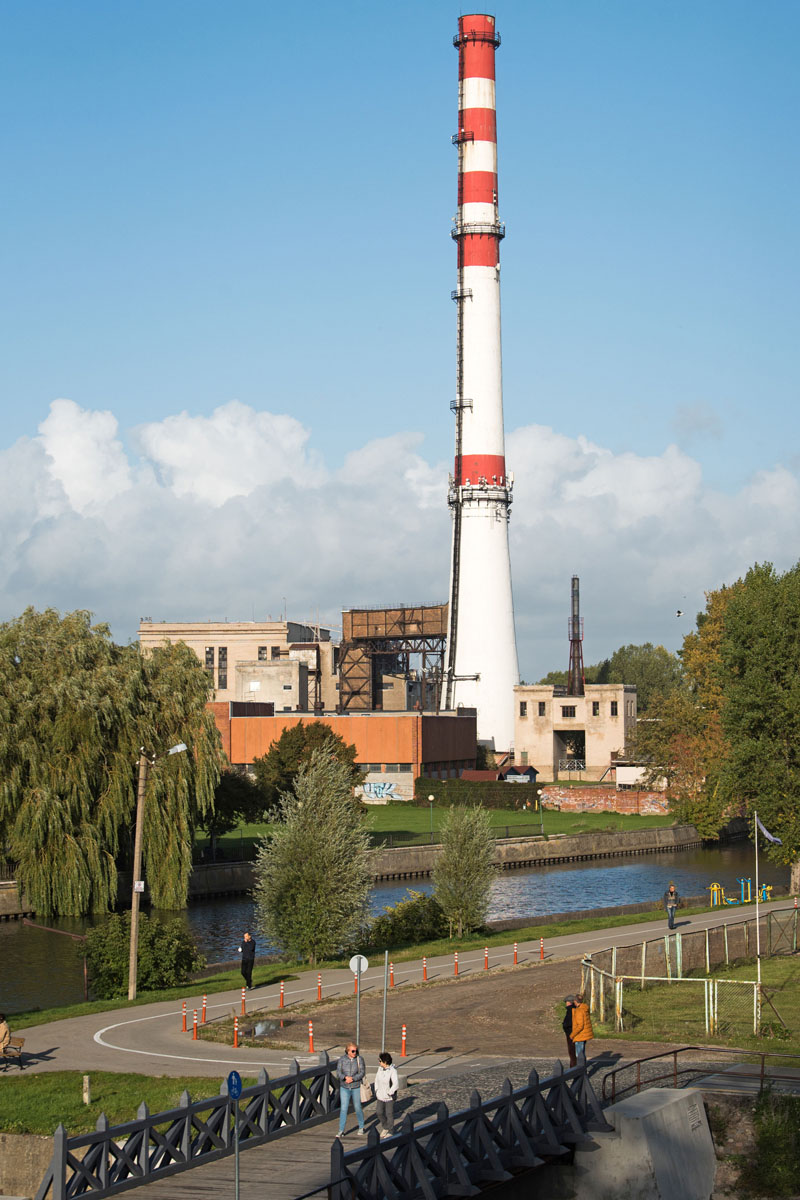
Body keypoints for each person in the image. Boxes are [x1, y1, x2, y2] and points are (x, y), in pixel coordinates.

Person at [336, 1042, 366, 1138]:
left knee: (357, 1107)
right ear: (347, 1051)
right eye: (352, 1051)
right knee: (344, 1108)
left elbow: (362, 1072)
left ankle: (361, 1127)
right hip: (344, 1087)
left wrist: (353, 1078)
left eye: (356, 1051)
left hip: (356, 1086)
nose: (354, 1052)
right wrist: (345, 1078)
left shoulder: (359, 1059)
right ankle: (341, 1130)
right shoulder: (342, 1059)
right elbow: (338, 1072)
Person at [374, 1051, 399, 1138]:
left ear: (385, 1062)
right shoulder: (379, 1069)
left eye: (380, 1061)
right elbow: (376, 1080)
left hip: (389, 1097)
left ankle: (391, 1130)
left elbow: (396, 1084)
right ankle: (385, 1127)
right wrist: (377, 1091)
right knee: (379, 1112)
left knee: (389, 1113)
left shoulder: (393, 1071)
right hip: (380, 1095)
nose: (379, 1062)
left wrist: (390, 1092)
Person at [569, 993, 594, 1062]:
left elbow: (580, 1026)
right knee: (582, 1054)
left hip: (580, 1035)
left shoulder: (579, 1011)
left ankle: (582, 1071)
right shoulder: (584, 1008)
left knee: (579, 1055)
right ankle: (583, 1069)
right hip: (584, 1034)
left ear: (575, 1001)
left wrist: (572, 1035)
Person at [562, 996, 577, 1068]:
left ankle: (573, 1067)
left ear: (568, 1002)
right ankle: (574, 1066)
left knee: (572, 1052)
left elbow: (568, 1023)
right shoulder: (576, 1009)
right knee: (575, 1052)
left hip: (571, 1034)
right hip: (573, 1033)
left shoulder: (570, 1010)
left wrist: (565, 1027)